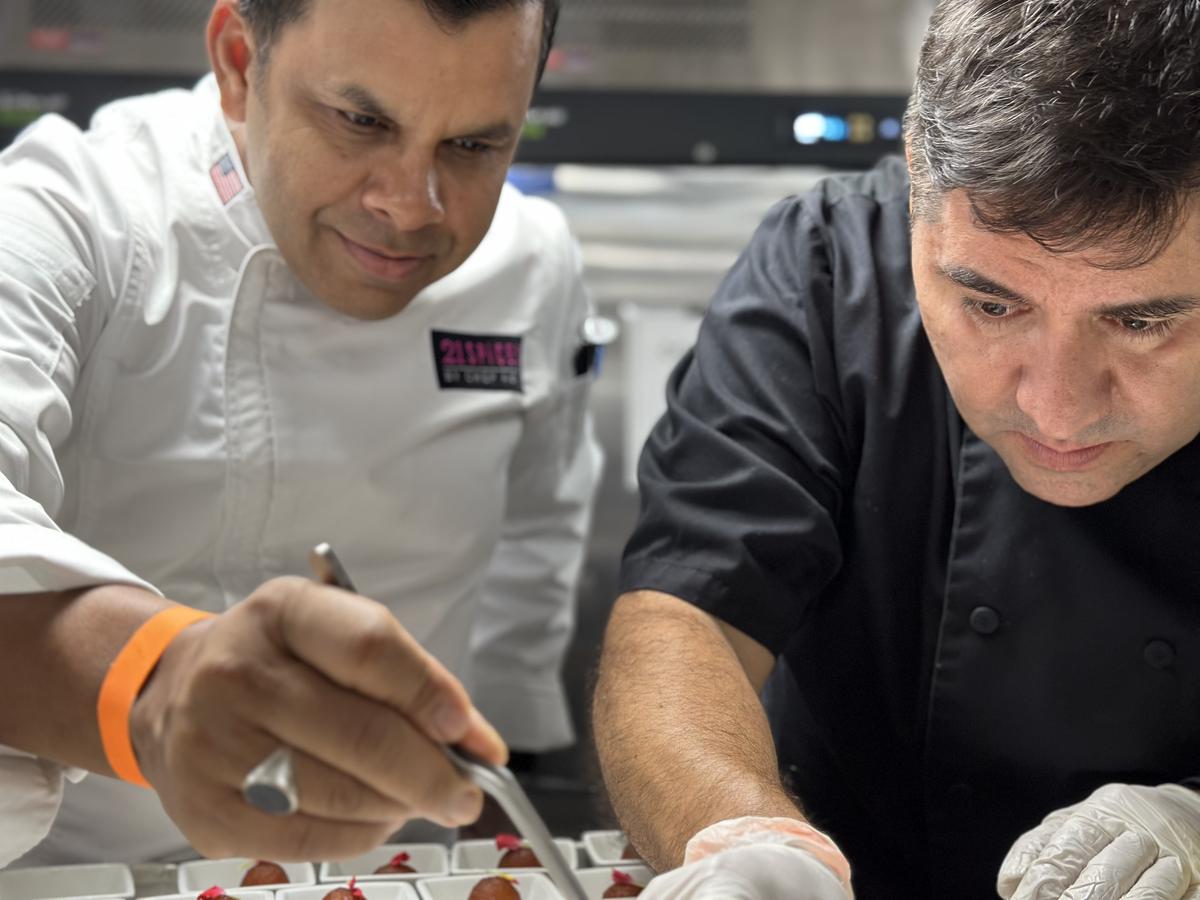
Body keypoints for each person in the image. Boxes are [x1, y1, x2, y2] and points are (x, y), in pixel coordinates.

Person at [593, 0, 1200, 898]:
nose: (1058, 411)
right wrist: (740, 838)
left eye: (1144, 321)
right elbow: (688, 615)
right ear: (918, 178)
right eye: (992, 305)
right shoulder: (829, 267)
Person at [0, 0, 601, 868]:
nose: (410, 207)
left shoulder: (533, 264)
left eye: (473, 145)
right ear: (241, 63)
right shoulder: (71, 214)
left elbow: (534, 543)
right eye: (360, 121)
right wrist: (158, 688)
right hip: (76, 873)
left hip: (393, 869)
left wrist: (495, 820)